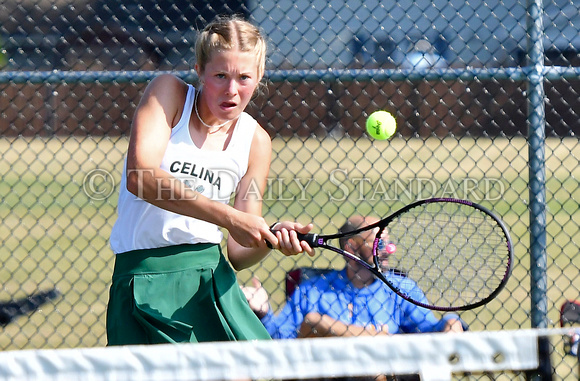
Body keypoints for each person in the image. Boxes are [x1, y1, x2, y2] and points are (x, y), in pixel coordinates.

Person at [106, 14, 313, 346]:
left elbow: (239, 252)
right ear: (200, 70)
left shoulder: (256, 140)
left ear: (259, 76)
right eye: (220, 75)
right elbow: (140, 177)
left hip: (211, 279)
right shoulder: (169, 93)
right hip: (144, 276)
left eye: (244, 77)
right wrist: (230, 217)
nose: (231, 89)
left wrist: (270, 238)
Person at [243, 215, 465, 340]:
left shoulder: (400, 288)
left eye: (388, 242)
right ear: (351, 247)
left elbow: (428, 330)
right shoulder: (312, 290)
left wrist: (452, 323)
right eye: (379, 243)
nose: (389, 249)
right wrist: (262, 312)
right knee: (315, 323)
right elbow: (280, 338)